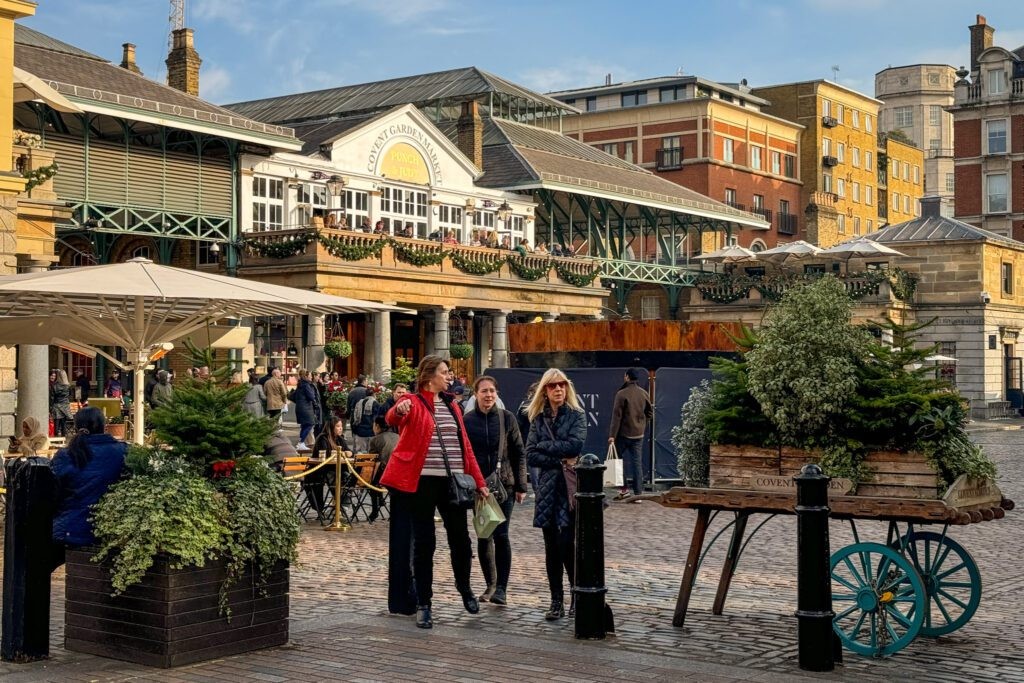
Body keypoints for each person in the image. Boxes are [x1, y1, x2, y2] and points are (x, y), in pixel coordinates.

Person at [381, 355, 489, 629]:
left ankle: (464, 587)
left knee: (461, 541)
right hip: (422, 483)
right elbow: (393, 417)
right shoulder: (415, 403)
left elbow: (465, 447)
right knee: (425, 544)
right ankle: (424, 603)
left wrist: (479, 482)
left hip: (452, 482)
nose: (449, 375)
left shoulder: (453, 405)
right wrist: (400, 407)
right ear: (430, 376)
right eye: (444, 372)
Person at [526, 368, 586, 621]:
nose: (558, 389)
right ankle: (556, 601)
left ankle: (576, 597)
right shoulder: (538, 420)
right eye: (552, 386)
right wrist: (557, 454)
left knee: (568, 545)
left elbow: (576, 445)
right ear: (545, 390)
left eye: (561, 384)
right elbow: (531, 454)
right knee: (551, 548)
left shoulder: (576, 416)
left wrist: (545, 447)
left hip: (570, 489)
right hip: (548, 488)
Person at [463, 375, 527, 605]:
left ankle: (502, 588)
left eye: (492, 391)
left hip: (504, 486)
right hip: (479, 488)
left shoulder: (507, 418)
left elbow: (519, 452)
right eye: (484, 391)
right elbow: (463, 456)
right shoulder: (468, 421)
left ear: (496, 394)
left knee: (501, 535)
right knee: (484, 536)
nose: (488, 395)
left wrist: (521, 485)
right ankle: (490, 583)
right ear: (475, 394)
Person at [50, 407, 128, 565]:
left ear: (77, 427)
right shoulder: (122, 452)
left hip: (70, 527)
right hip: (109, 528)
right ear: (104, 427)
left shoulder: (66, 455)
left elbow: (52, 492)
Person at [608, 367, 653, 500]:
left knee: (618, 461)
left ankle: (624, 490)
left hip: (622, 434)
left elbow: (616, 417)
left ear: (627, 377)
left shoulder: (621, 394)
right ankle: (638, 494)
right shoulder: (644, 393)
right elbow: (650, 413)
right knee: (637, 463)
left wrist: (612, 435)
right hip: (638, 435)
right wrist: (643, 425)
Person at [308, 415, 350, 517]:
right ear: (331, 427)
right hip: (321, 470)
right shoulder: (323, 438)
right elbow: (326, 454)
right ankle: (339, 506)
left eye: (341, 426)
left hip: (336, 469)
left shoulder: (340, 439)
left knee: (348, 479)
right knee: (336, 478)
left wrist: (348, 453)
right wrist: (340, 453)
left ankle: (342, 506)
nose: (341, 428)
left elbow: (349, 451)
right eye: (338, 426)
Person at [367, 415, 398, 522]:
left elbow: (373, 460)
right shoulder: (398, 436)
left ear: (377, 426)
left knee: (372, 486)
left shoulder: (375, 439)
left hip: (384, 470)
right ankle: (390, 509)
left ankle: (375, 511)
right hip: (397, 470)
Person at [293, 368, 322, 452]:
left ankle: (301, 443)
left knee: (305, 425)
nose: (311, 377)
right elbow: (311, 397)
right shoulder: (306, 385)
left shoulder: (300, 384)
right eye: (309, 376)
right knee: (310, 424)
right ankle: (301, 442)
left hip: (300, 408)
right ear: (305, 376)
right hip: (306, 408)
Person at [50, 369, 73, 437]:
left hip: (56, 405)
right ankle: (64, 438)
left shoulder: (54, 386)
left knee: (56, 425)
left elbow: (52, 398)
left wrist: (50, 408)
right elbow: (70, 395)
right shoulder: (68, 386)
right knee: (63, 424)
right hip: (65, 405)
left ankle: (56, 440)